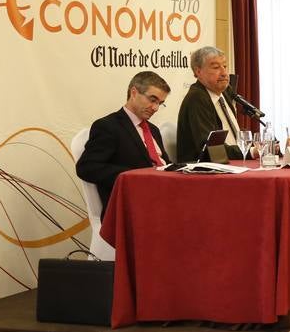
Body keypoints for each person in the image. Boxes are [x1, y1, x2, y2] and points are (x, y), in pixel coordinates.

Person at [76, 71, 172, 215]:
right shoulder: (108, 127)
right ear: (134, 93)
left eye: (160, 103)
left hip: (163, 197)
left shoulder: (154, 130)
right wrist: (133, 177)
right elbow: (87, 167)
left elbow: (164, 164)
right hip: (131, 206)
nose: (155, 108)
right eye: (152, 100)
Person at [175, 45, 243, 160]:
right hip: (203, 171)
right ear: (198, 71)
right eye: (216, 67)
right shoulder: (196, 98)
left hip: (231, 164)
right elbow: (212, 150)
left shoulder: (225, 92)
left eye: (225, 66)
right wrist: (248, 151)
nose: (224, 73)